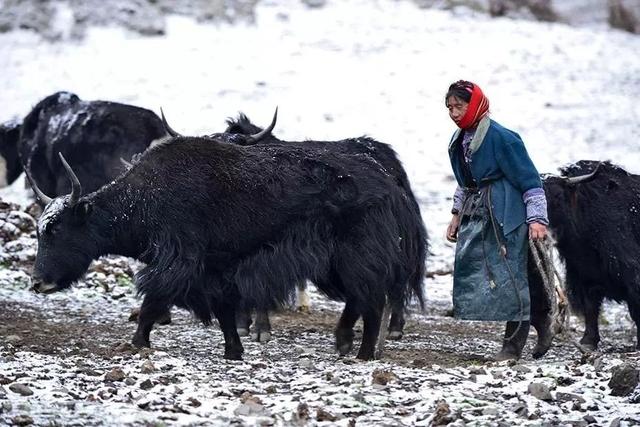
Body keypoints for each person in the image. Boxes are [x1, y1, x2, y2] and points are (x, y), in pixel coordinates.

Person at [444, 80, 554, 361]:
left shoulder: (503, 138)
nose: (454, 113)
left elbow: (530, 181)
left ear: (476, 104)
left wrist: (537, 219)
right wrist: (456, 215)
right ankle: (541, 322)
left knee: (510, 275)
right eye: (450, 107)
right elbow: (465, 182)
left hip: (508, 213)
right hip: (480, 211)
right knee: (484, 269)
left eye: (460, 106)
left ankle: (512, 347)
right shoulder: (461, 139)